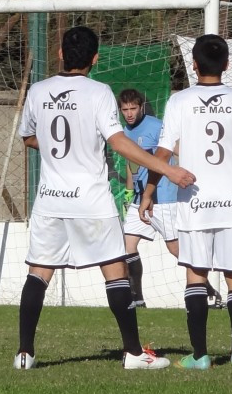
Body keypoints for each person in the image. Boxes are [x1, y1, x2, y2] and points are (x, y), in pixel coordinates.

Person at [15, 27, 195, 371]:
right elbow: (118, 142)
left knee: (39, 272)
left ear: (60, 54)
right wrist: (167, 169)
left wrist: (59, 151)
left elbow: (29, 138)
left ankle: (25, 353)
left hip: (50, 199)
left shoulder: (37, 91)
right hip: (91, 200)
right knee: (116, 270)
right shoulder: (99, 92)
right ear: (95, 59)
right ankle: (133, 353)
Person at [145, 35, 232, 370]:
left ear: (194, 65)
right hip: (231, 202)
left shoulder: (179, 101)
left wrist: (149, 191)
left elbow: (163, 154)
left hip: (194, 202)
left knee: (196, 274)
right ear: (227, 63)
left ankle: (200, 355)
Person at [116, 88, 222, 311]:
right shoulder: (124, 132)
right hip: (139, 199)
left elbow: (177, 150)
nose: (129, 113)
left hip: (163, 198)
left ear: (142, 107)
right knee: (127, 246)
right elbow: (130, 164)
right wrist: (128, 194)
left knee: (175, 249)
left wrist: (199, 169)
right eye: (125, 109)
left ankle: (209, 291)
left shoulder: (156, 126)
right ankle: (138, 299)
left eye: (133, 108)